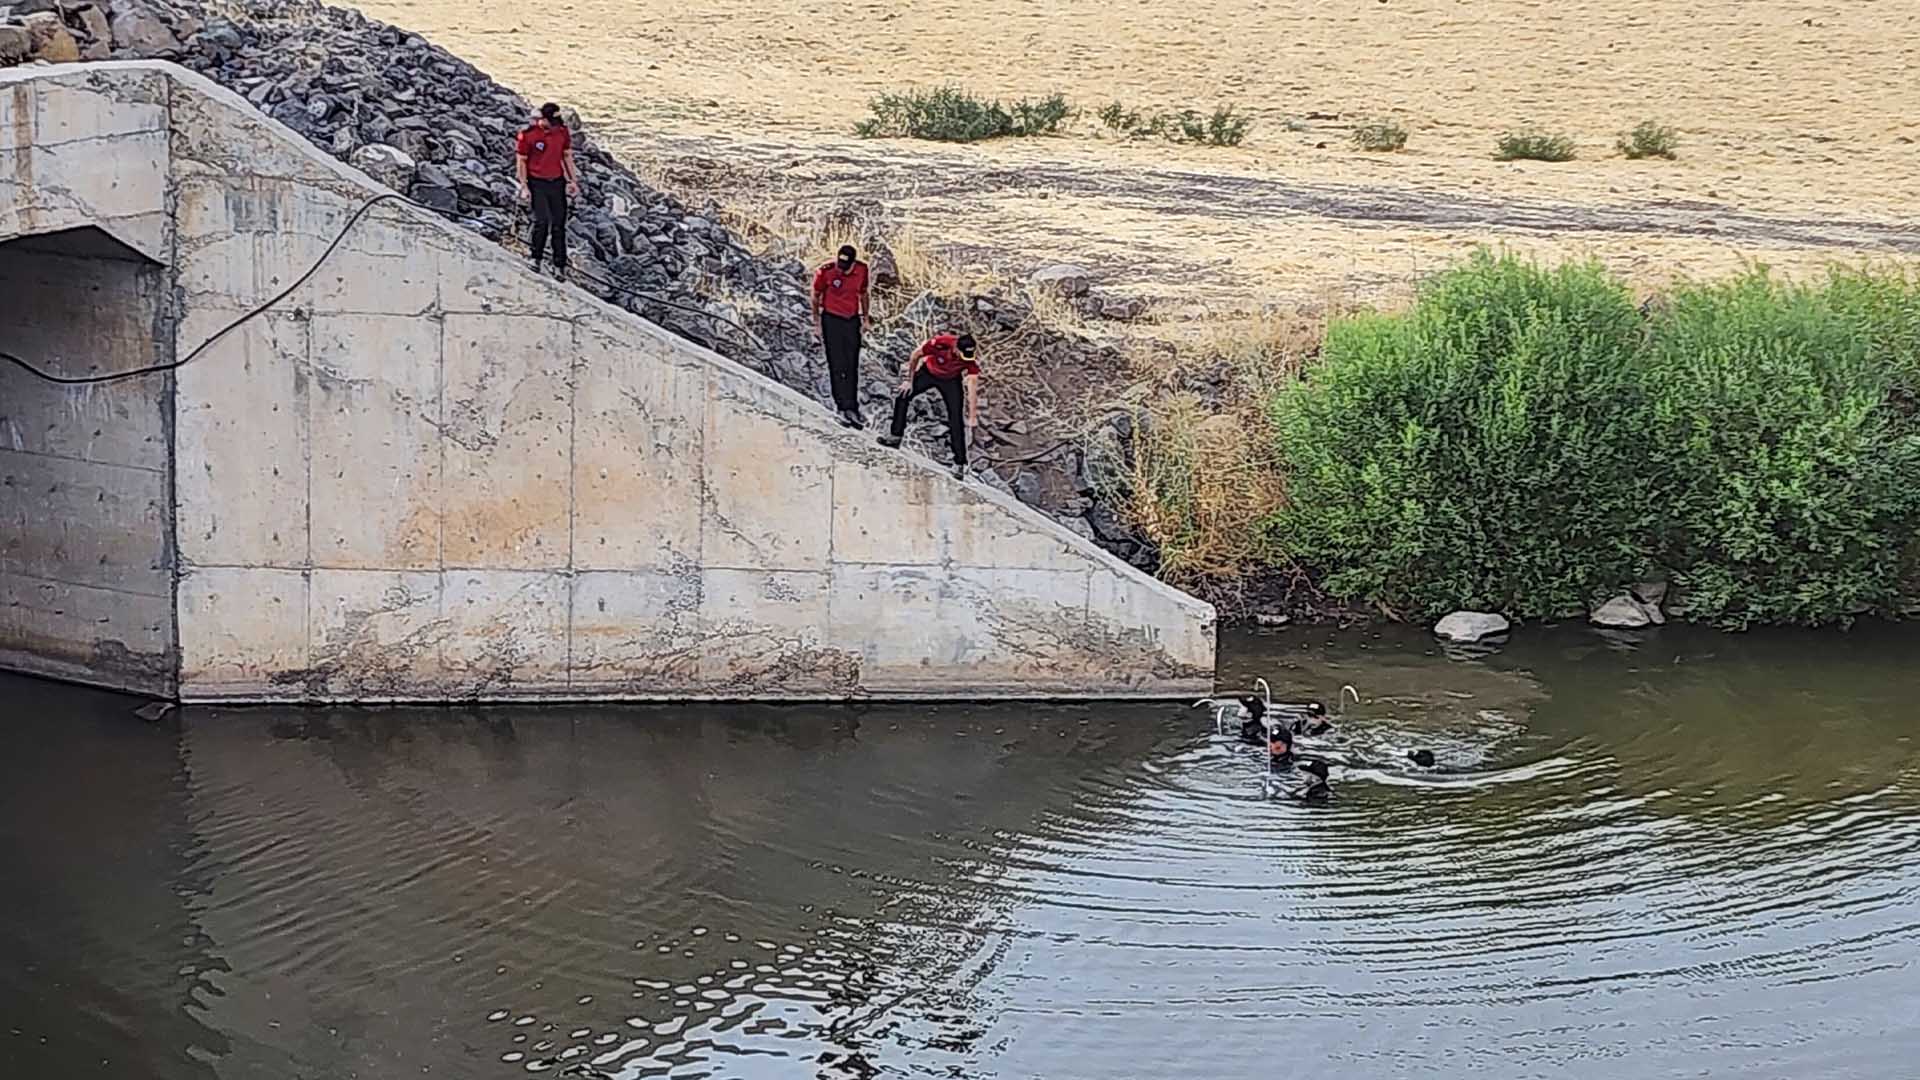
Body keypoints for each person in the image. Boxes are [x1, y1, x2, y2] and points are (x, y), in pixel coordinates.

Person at [878, 332, 979, 480]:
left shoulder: (969, 357)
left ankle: (959, 463)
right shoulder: (941, 342)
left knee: (956, 419)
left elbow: (972, 383)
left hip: (951, 380)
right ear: (956, 348)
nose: (964, 358)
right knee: (903, 396)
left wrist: (972, 414)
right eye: (961, 355)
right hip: (929, 372)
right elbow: (915, 355)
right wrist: (909, 381)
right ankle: (895, 436)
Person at [516, 102, 580, 280]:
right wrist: (524, 185)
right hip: (537, 183)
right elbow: (521, 161)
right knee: (541, 221)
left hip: (557, 182)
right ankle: (535, 258)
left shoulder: (562, 132)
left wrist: (572, 180)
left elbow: (567, 156)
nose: (553, 125)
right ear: (542, 119)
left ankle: (559, 265)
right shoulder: (528, 135)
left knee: (559, 225)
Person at [812, 244, 871, 428]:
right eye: (840, 264)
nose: (842, 269)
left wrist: (866, 318)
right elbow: (815, 295)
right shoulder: (826, 271)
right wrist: (816, 323)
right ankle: (841, 406)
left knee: (851, 364)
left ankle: (853, 406)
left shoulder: (862, 270)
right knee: (836, 364)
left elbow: (863, 293)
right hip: (831, 320)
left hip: (851, 320)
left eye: (846, 266)